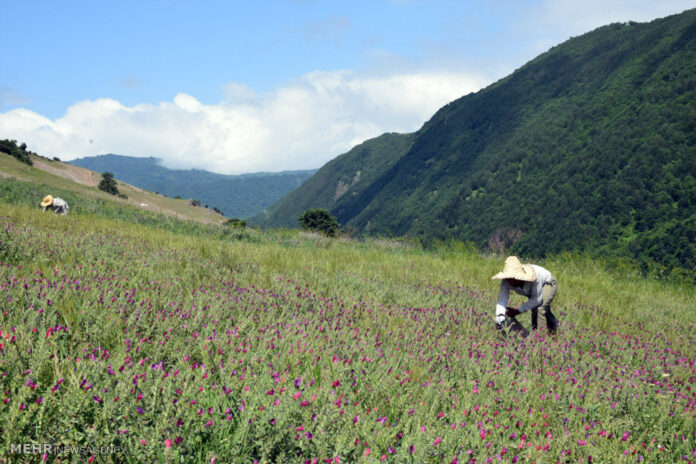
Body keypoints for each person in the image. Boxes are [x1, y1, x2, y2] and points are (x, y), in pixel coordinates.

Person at [492, 256, 558, 334]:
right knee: (538, 310)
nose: (511, 281)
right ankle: (552, 331)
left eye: (513, 278)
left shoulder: (535, 276)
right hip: (534, 291)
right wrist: (500, 315)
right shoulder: (506, 281)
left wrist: (518, 311)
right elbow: (502, 298)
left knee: (540, 308)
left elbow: (537, 299)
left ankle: (540, 339)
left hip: (547, 283)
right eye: (509, 278)